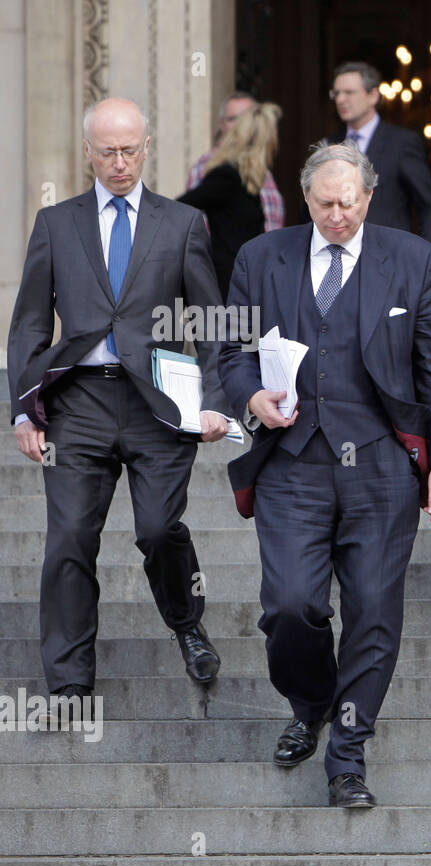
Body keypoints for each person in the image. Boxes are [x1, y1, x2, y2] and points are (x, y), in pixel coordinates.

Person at [219, 142, 431, 808]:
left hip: (382, 465)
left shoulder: (415, 262)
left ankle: (347, 754)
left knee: (374, 615)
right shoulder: (260, 258)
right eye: (325, 204)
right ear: (306, 199)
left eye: (348, 203)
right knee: (290, 605)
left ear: (369, 197)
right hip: (292, 464)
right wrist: (250, 396)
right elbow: (232, 350)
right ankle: (312, 699)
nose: (337, 215)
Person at [7, 97, 229, 699]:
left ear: (147, 147)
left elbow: (209, 321)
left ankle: (186, 624)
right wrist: (25, 408)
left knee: (158, 529)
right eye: (107, 150)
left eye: (130, 149)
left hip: (158, 403)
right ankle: (70, 684)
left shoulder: (181, 223)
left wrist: (214, 400)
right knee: (71, 540)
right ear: (88, 153)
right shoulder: (56, 223)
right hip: (78, 403)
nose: (120, 161)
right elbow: (29, 323)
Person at [324, 61, 431, 252]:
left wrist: (425, 264)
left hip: (388, 258)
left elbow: (429, 209)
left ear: (373, 96)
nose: (340, 99)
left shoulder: (401, 142)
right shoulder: (329, 144)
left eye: (349, 92)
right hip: (337, 256)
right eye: (336, 93)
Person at [178, 102, 281, 298]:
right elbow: (179, 207)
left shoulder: (251, 179)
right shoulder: (227, 176)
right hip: (226, 283)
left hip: (246, 278)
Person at [187, 91, 285, 232]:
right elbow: (192, 216)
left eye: (246, 118)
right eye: (233, 119)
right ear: (222, 124)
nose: (241, 125)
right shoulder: (212, 166)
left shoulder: (260, 167)